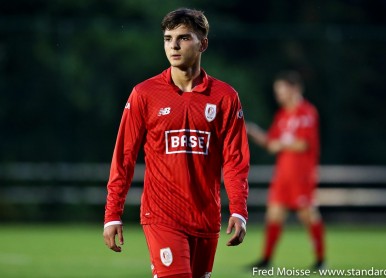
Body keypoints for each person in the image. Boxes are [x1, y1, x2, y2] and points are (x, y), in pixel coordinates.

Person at [103, 8, 250, 278]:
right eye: (168, 38)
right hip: (162, 215)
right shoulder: (144, 94)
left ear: (203, 43)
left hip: (206, 217)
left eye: (183, 38)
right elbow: (123, 157)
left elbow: (235, 161)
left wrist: (239, 210)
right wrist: (113, 213)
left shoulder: (224, 97)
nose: (173, 45)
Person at [246, 71, 325, 270]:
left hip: (302, 174)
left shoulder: (306, 112)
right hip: (283, 174)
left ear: (295, 89)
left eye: (282, 90)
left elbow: (303, 144)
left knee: (307, 215)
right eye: (277, 91)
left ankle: (321, 260)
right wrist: (252, 130)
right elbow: (271, 142)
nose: (279, 95)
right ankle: (266, 260)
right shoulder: (281, 115)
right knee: (273, 215)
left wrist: (279, 144)